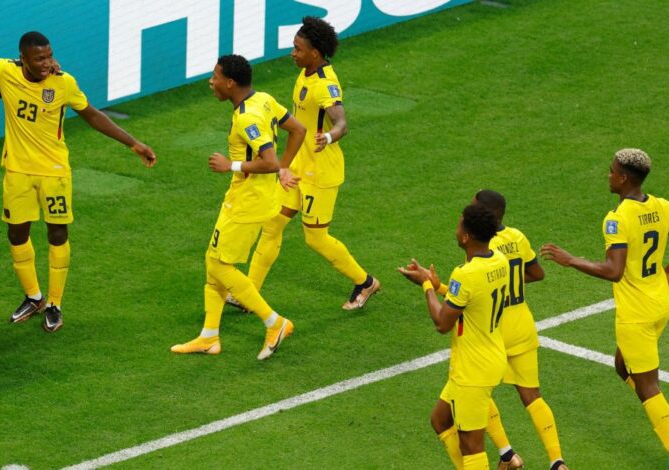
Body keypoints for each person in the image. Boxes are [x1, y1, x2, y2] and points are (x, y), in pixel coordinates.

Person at [0, 31, 156, 332]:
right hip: (17, 171)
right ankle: (34, 297)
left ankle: (55, 303)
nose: (47, 63)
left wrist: (133, 143)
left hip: (55, 171)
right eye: (39, 58)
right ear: (22, 58)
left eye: (49, 55)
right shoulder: (3, 71)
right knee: (16, 234)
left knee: (58, 233)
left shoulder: (64, 83)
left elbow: (92, 115)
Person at [233, 16, 379, 311]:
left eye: (298, 49)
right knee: (272, 224)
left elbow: (342, 123)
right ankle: (248, 295)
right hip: (299, 166)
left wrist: (329, 136)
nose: (293, 53)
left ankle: (365, 282)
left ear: (315, 53)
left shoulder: (325, 84)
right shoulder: (306, 73)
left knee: (315, 238)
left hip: (320, 172)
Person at [171, 54, 306, 360]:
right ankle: (209, 336)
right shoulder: (265, 99)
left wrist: (230, 164)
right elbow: (297, 130)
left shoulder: (247, 117)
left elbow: (268, 160)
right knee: (213, 260)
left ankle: (274, 322)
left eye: (215, 76)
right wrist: (283, 169)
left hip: (248, 201)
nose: (211, 81)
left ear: (230, 83)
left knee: (220, 265)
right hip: (251, 195)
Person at [422, 190, 568, 470]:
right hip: (514, 330)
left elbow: (449, 317)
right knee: (531, 397)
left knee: (473, 437)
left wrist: (430, 286)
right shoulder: (507, 249)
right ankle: (555, 460)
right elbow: (533, 274)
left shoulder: (472, 266)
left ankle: (506, 453)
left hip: (484, 344)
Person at [541, 148, 669, 453]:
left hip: (635, 314)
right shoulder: (663, 207)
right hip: (660, 303)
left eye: (611, 171)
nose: (608, 175)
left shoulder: (617, 218)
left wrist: (571, 260)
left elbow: (614, 271)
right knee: (622, 366)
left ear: (623, 178)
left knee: (648, 387)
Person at [399, 203, 508, 469]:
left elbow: (442, 323)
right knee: (440, 420)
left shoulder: (466, 273)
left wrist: (425, 286)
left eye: (460, 224)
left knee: (471, 445)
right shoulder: (500, 261)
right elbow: (471, 298)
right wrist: (439, 287)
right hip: (491, 356)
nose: (456, 228)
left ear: (466, 236)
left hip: (472, 369)